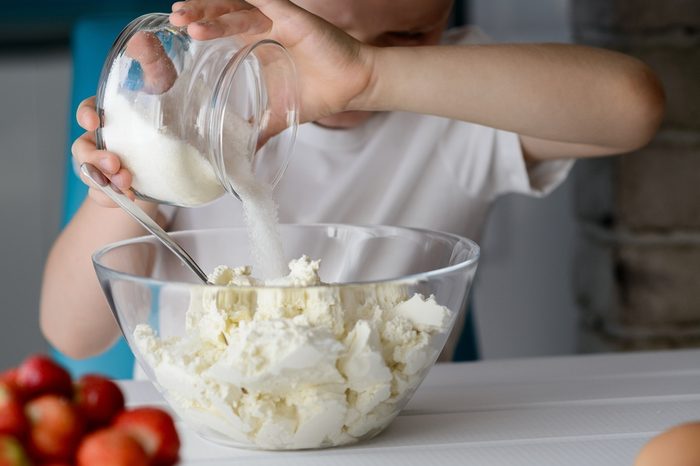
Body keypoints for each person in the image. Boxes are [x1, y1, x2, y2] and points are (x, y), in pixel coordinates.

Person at [40, 0, 665, 361]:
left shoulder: (460, 103)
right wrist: (130, 190)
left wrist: (374, 73)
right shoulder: (185, 109)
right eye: (316, 30)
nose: (332, 64)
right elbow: (73, 334)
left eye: (407, 37)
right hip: (207, 432)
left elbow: (634, 107)